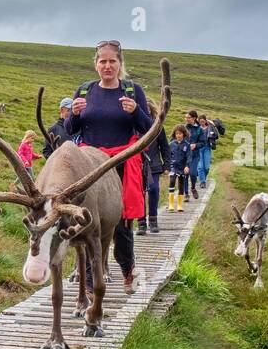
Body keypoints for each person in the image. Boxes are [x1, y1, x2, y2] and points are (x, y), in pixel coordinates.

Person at [65, 40, 153, 294]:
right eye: (102, 61)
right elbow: (71, 130)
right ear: (95, 65)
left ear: (120, 64)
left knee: (122, 224)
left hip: (122, 164)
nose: (107, 65)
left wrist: (136, 111)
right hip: (89, 168)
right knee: (86, 221)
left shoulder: (133, 91)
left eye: (112, 61)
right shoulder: (84, 92)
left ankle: (128, 271)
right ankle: (90, 280)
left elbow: (148, 128)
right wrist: (75, 115)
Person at [137, 97, 169, 234]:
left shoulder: (158, 126)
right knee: (139, 194)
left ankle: (153, 220)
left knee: (154, 190)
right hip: (137, 165)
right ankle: (141, 223)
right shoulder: (134, 126)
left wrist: (167, 164)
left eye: (148, 110)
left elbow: (165, 147)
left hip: (154, 165)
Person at [167, 124, 189, 212]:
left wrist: (187, 166)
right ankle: (171, 204)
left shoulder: (187, 145)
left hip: (182, 168)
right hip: (173, 167)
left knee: (181, 185)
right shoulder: (171, 144)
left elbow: (189, 157)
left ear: (184, 134)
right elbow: (168, 156)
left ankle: (180, 205)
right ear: (174, 134)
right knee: (172, 182)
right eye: (177, 134)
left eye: (180, 134)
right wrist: (167, 166)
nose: (178, 135)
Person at [183, 110, 204, 200]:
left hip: (195, 155)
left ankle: (193, 188)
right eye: (186, 117)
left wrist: (195, 145)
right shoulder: (184, 128)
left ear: (194, 118)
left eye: (189, 117)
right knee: (185, 174)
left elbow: (203, 143)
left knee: (193, 174)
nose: (187, 119)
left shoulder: (199, 129)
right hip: (184, 155)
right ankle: (186, 194)